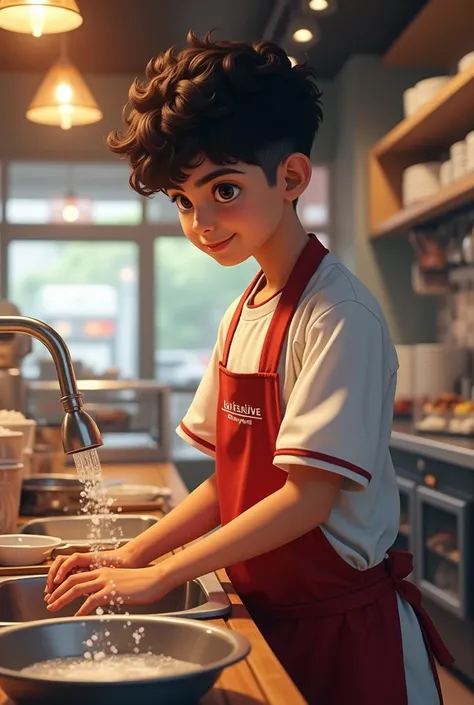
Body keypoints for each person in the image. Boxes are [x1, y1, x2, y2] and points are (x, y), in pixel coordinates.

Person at [44, 32, 453, 705]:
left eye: (222, 189)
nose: (201, 222)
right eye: (182, 200)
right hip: (270, 612)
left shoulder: (337, 313)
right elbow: (227, 487)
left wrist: (162, 571)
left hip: (343, 631)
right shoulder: (243, 310)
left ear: (290, 178)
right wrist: (133, 554)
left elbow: (307, 498)